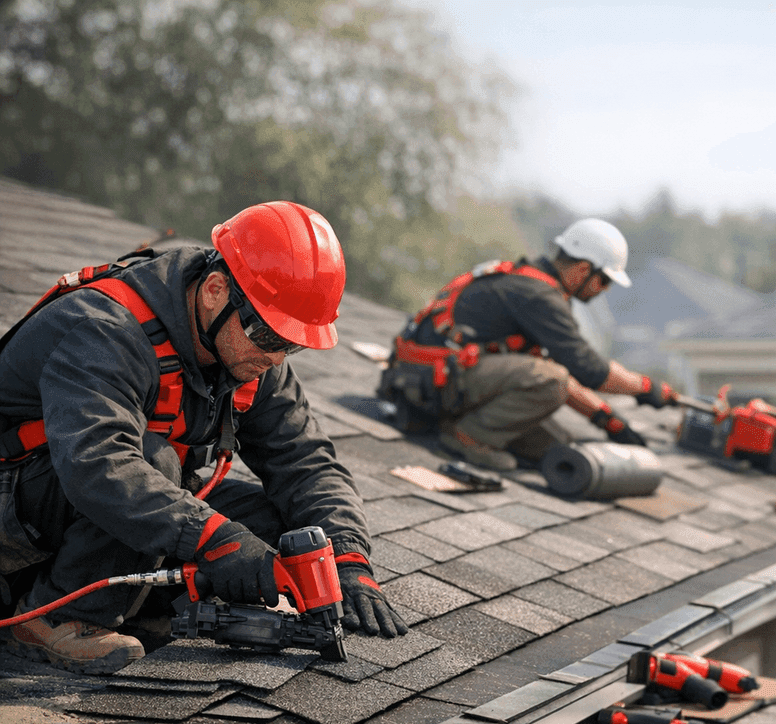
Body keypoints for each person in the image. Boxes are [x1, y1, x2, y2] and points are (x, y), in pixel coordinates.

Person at [0, 201, 407, 676]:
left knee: (286, 529)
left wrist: (346, 558)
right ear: (216, 291)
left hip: (74, 508)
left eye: (291, 344)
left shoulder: (247, 349)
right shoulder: (104, 329)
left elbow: (306, 461)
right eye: (270, 338)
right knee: (156, 463)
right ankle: (57, 618)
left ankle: (141, 605)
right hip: (22, 497)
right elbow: (99, 464)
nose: (277, 359)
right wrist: (216, 540)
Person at [379, 218, 678, 471]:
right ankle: (466, 437)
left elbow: (560, 367)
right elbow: (585, 370)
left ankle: (460, 426)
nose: (605, 290)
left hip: (427, 382)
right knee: (552, 383)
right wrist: (646, 387)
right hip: (430, 384)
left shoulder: (538, 285)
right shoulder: (539, 296)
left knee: (556, 446)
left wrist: (608, 420)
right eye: (604, 281)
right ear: (583, 270)